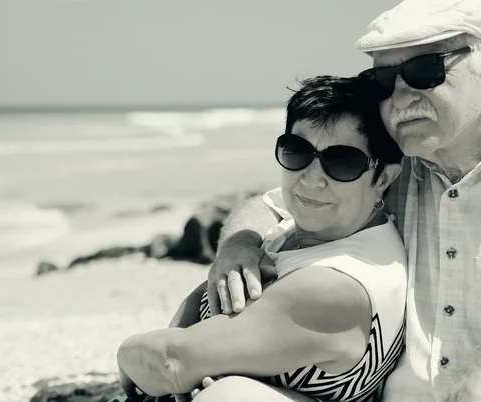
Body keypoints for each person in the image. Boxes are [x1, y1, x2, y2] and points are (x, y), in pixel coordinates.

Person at [204, 1, 481, 401]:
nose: (401, 97)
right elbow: (270, 205)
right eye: (382, 82)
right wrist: (238, 247)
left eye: (425, 71)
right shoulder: (385, 171)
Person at [107, 75, 406, 402]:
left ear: (384, 176)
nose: (311, 178)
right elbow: (264, 203)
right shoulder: (319, 227)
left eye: (342, 162)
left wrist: (128, 352)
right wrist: (237, 244)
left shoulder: (337, 285)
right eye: (298, 152)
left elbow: (173, 362)